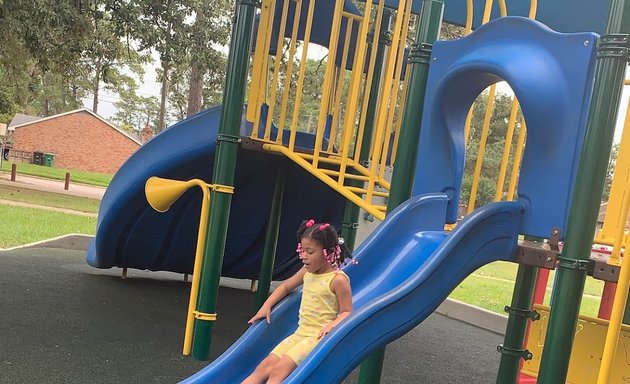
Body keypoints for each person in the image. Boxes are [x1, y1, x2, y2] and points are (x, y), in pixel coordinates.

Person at [242, 219, 355, 384]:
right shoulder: (307, 273)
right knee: (265, 366)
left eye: (309, 252)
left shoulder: (337, 280)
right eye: (302, 250)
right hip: (300, 334)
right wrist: (266, 306)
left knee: (278, 371)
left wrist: (333, 324)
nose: (303, 257)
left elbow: (347, 311)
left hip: (316, 338)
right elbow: (286, 286)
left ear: (327, 252)